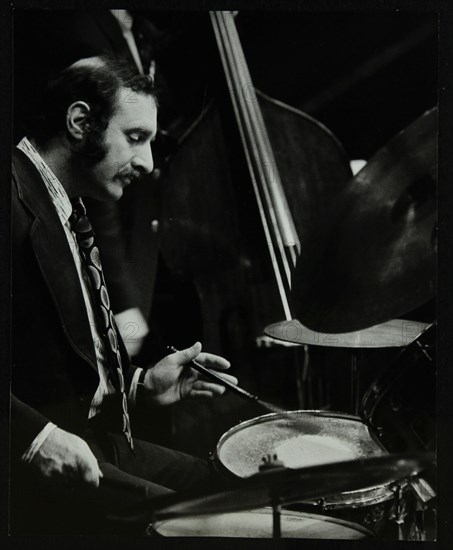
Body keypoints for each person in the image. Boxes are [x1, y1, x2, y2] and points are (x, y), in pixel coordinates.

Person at [11, 56, 238, 535]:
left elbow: (62, 352)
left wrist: (138, 385)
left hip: (91, 434)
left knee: (230, 488)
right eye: (135, 138)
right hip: (31, 458)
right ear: (79, 123)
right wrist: (32, 438)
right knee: (212, 527)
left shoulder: (69, 203)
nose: (149, 163)